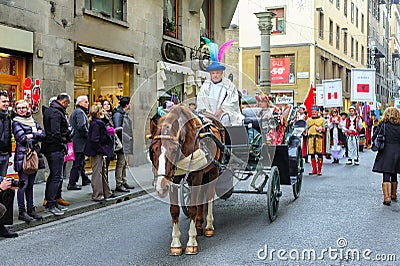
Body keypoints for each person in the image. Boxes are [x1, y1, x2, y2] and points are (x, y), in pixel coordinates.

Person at [12, 100, 46, 222]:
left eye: (24, 107)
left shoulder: (32, 120)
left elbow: (44, 135)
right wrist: (36, 133)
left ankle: (31, 209)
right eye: (19, 108)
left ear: (28, 108)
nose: (21, 110)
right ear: (16, 110)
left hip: (34, 156)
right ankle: (22, 211)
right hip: (23, 157)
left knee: (30, 185)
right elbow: (21, 138)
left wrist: (32, 135)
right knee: (23, 184)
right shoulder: (16, 122)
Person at [41, 93, 72, 216]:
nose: (67, 106)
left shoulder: (52, 111)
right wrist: (62, 144)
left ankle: (51, 201)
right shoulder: (55, 112)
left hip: (53, 147)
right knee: (56, 176)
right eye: (67, 103)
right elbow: (55, 132)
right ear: (63, 102)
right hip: (54, 148)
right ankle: (51, 204)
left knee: (54, 175)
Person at [84, 105, 116, 202]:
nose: (103, 111)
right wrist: (100, 149)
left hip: (99, 151)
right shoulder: (97, 124)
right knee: (98, 173)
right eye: (101, 110)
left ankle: (106, 192)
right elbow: (95, 139)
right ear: (98, 112)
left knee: (102, 172)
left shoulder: (96, 123)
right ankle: (97, 194)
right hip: (97, 151)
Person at [196, 60, 243, 126]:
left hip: (223, 114)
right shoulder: (205, 86)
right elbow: (201, 101)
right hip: (208, 115)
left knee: (226, 119)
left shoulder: (229, 85)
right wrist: (209, 114)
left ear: (221, 73)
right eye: (213, 73)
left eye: (217, 73)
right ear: (210, 74)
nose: (215, 75)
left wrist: (222, 109)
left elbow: (233, 100)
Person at [372, 107, 400, 206]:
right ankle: (393, 194)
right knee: (394, 172)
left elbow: (374, 137)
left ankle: (386, 197)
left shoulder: (383, 125)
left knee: (386, 174)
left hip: (386, 151)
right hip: (398, 151)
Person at [0, 90, 18, 237]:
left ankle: (2, 226)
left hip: (4, 155)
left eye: (7, 101)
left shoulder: (8, 117)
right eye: (4, 102)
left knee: (6, 189)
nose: (7, 104)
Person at [67, 95, 90, 190]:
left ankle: (85, 178)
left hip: (77, 141)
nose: (87, 104)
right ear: (80, 103)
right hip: (79, 142)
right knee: (77, 163)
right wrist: (88, 135)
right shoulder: (80, 112)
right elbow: (81, 126)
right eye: (86, 102)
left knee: (81, 162)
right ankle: (72, 182)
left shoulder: (76, 111)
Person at [112, 96, 135, 192]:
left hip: (125, 142)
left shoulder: (123, 113)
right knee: (121, 163)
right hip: (122, 142)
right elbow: (118, 129)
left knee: (124, 162)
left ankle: (123, 181)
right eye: (130, 103)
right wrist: (127, 137)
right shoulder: (118, 114)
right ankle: (119, 183)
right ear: (126, 104)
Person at [307, 105, 325, 175]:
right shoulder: (308, 120)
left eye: (315, 112)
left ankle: (319, 170)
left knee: (319, 154)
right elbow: (306, 129)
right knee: (312, 154)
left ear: (318, 112)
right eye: (313, 112)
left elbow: (325, 129)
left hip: (319, 139)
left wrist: (321, 129)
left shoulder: (322, 120)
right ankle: (314, 169)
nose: (314, 113)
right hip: (311, 139)